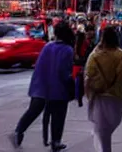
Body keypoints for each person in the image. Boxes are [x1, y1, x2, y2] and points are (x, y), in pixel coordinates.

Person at [10, 21, 74, 151]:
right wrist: (71, 85)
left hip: (40, 87)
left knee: (33, 111)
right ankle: (56, 141)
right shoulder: (68, 50)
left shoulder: (47, 47)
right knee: (58, 115)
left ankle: (18, 131)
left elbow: (39, 67)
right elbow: (64, 72)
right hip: (58, 89)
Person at [85, 25, 122, 152]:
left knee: (102, 131)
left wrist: (88, 95)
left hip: (98, 95)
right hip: (116, 96)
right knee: (109, 128)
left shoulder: (95, 56)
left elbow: (88, 76)